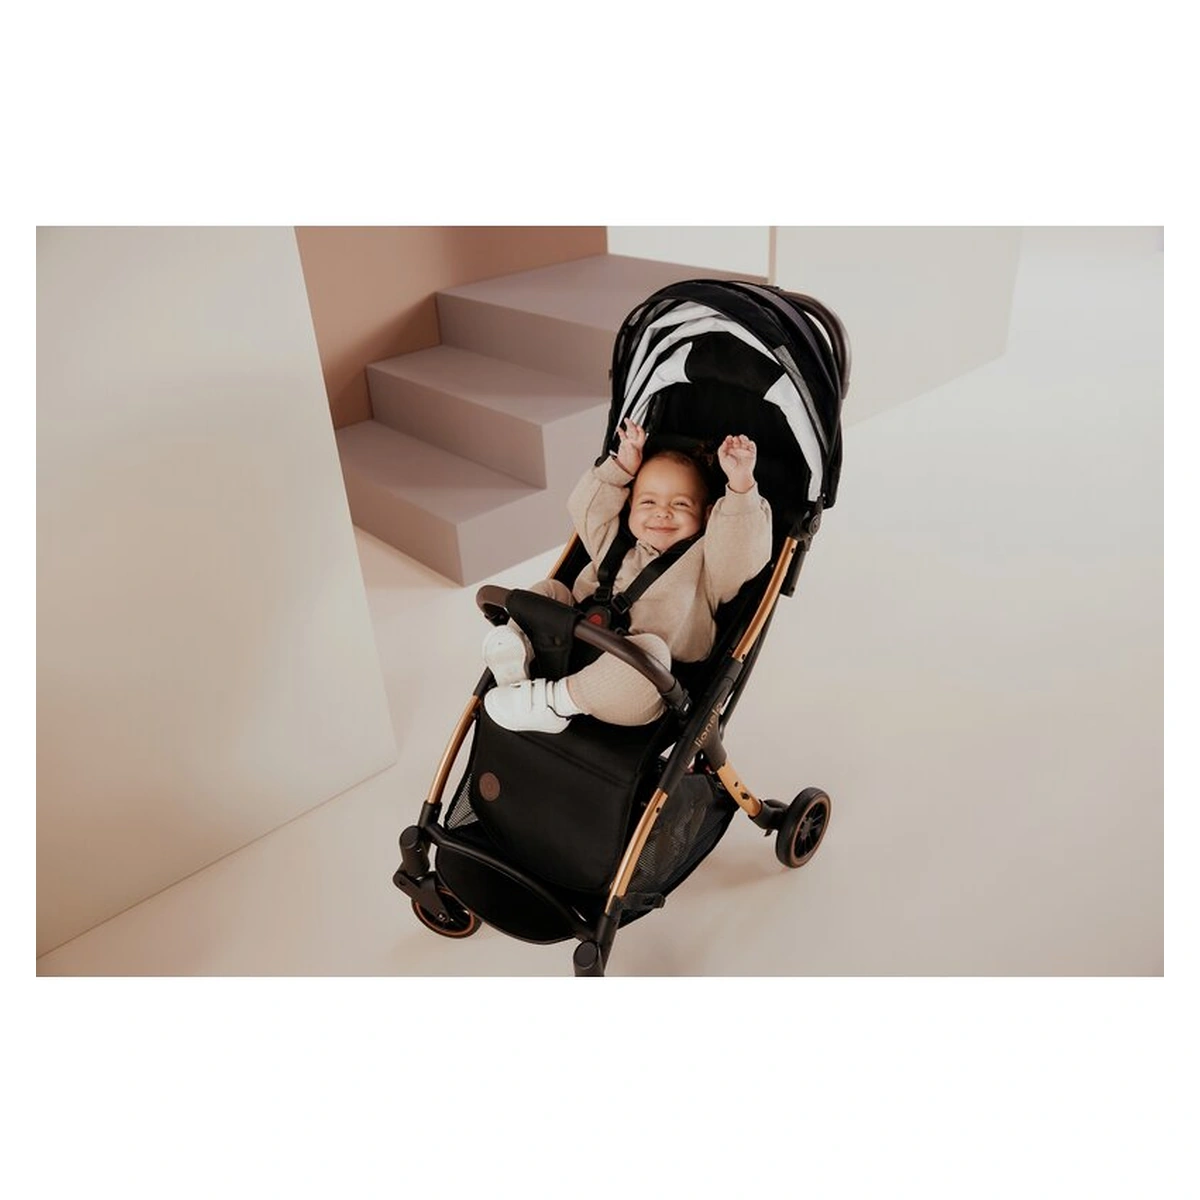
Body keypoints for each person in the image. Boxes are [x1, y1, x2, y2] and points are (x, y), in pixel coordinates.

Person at [482, 419, 772, 733]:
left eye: (680, 504)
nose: (662, 511)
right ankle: (518, 661)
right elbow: (585, 509)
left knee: (649, 654)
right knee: (550, 591)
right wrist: (621, 468)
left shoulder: (709, 565)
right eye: (648, 502)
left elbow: (739, 549)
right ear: (630, 505)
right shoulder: (612, 542)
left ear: (707, 514)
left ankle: (554, 704)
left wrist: (740, 487)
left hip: (639, 687)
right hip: (565, 650)